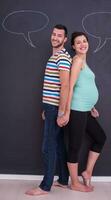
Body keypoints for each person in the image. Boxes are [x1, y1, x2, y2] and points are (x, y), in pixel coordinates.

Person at [25, 24, 72, 196]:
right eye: (54, 34)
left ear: (65, 39)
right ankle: (63, 180)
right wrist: (47, 107)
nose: (55, 37)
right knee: (58, 145)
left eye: (60, 36)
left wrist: (60, 112)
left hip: (55, 108)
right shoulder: (55, 56)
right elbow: (54, 86)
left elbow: (65, 86)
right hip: (50, 106)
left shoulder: (62, 57)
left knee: (48, 147)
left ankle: (45, 186)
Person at [57, 32, 106, 192]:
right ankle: (75, 183)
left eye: (84, 41)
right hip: (76, 109)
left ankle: (87, 172)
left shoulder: (83, 61)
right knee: (75, 146)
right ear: (73, 46)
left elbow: (83, 86)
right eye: (78, 43)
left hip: (85, 109)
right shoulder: (77, 61)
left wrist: (91, 105)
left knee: (100, 138)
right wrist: (67, 112)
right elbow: (70, 87)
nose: (82, 44)